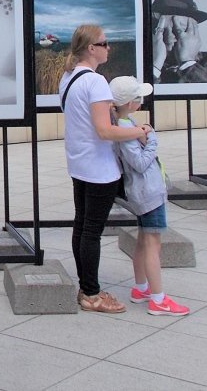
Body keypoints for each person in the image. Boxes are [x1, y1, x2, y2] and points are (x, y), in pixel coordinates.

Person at [59, 24, 150, 313]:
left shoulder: (68, 77)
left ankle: (86, 287)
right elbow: (104, 131)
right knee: (92, 231)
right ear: (91, 48)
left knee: (82, 225)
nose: (109, 47)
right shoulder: (95, 82)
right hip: (99, 167)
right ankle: (92, 294)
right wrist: (139, 131)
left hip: (79, 161)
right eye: (104, 43)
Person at [110, 76, 190, 317]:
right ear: (131, 102)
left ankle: (141, 288)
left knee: (144, 241)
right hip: (148, 193)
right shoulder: (126, 129)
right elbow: (140, 162)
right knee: (153, 244)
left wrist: (142, 134)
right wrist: (151, 138)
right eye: (138, 98)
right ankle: (158, 298)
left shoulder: (124, 123)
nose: (141, 101)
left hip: (144, 193)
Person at [151, 0, 207, 84]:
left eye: (178, 30)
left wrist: (187, 63)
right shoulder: (138, 65)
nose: (168, 39)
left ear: (194, 30)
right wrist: (154, 68)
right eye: (162, 30)